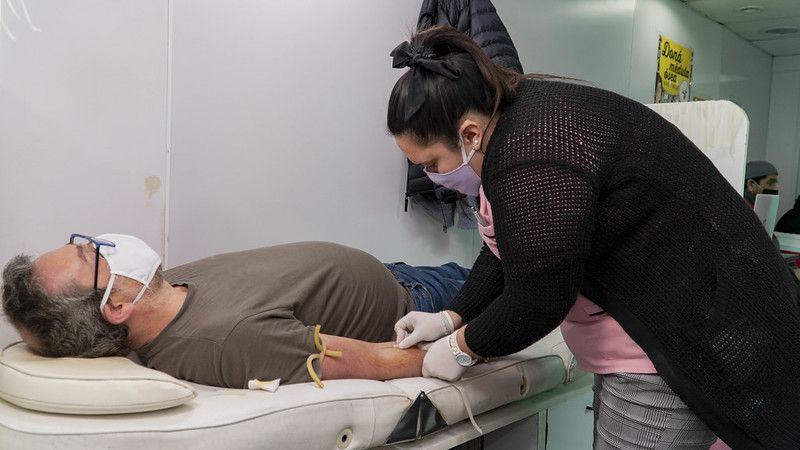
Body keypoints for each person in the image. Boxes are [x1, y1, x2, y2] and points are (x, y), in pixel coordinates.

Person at [385, 26, 800, 449]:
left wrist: (463, 347)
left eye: (433, 163)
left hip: (683, 335)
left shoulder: (532, 153)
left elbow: (539, 300)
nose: (432, 177)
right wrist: (450, 316)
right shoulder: (513, 122)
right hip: (678, 319)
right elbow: (511, 247)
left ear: (470, 133)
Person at [1, 233, 469, 388]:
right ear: (117, 307)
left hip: (398, 270)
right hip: (423, 304)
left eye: (82, 242)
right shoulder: (227, 341)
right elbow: (378, 361)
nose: (98, 242)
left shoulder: (157, 291)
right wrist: (469, 344)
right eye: (90, 255)